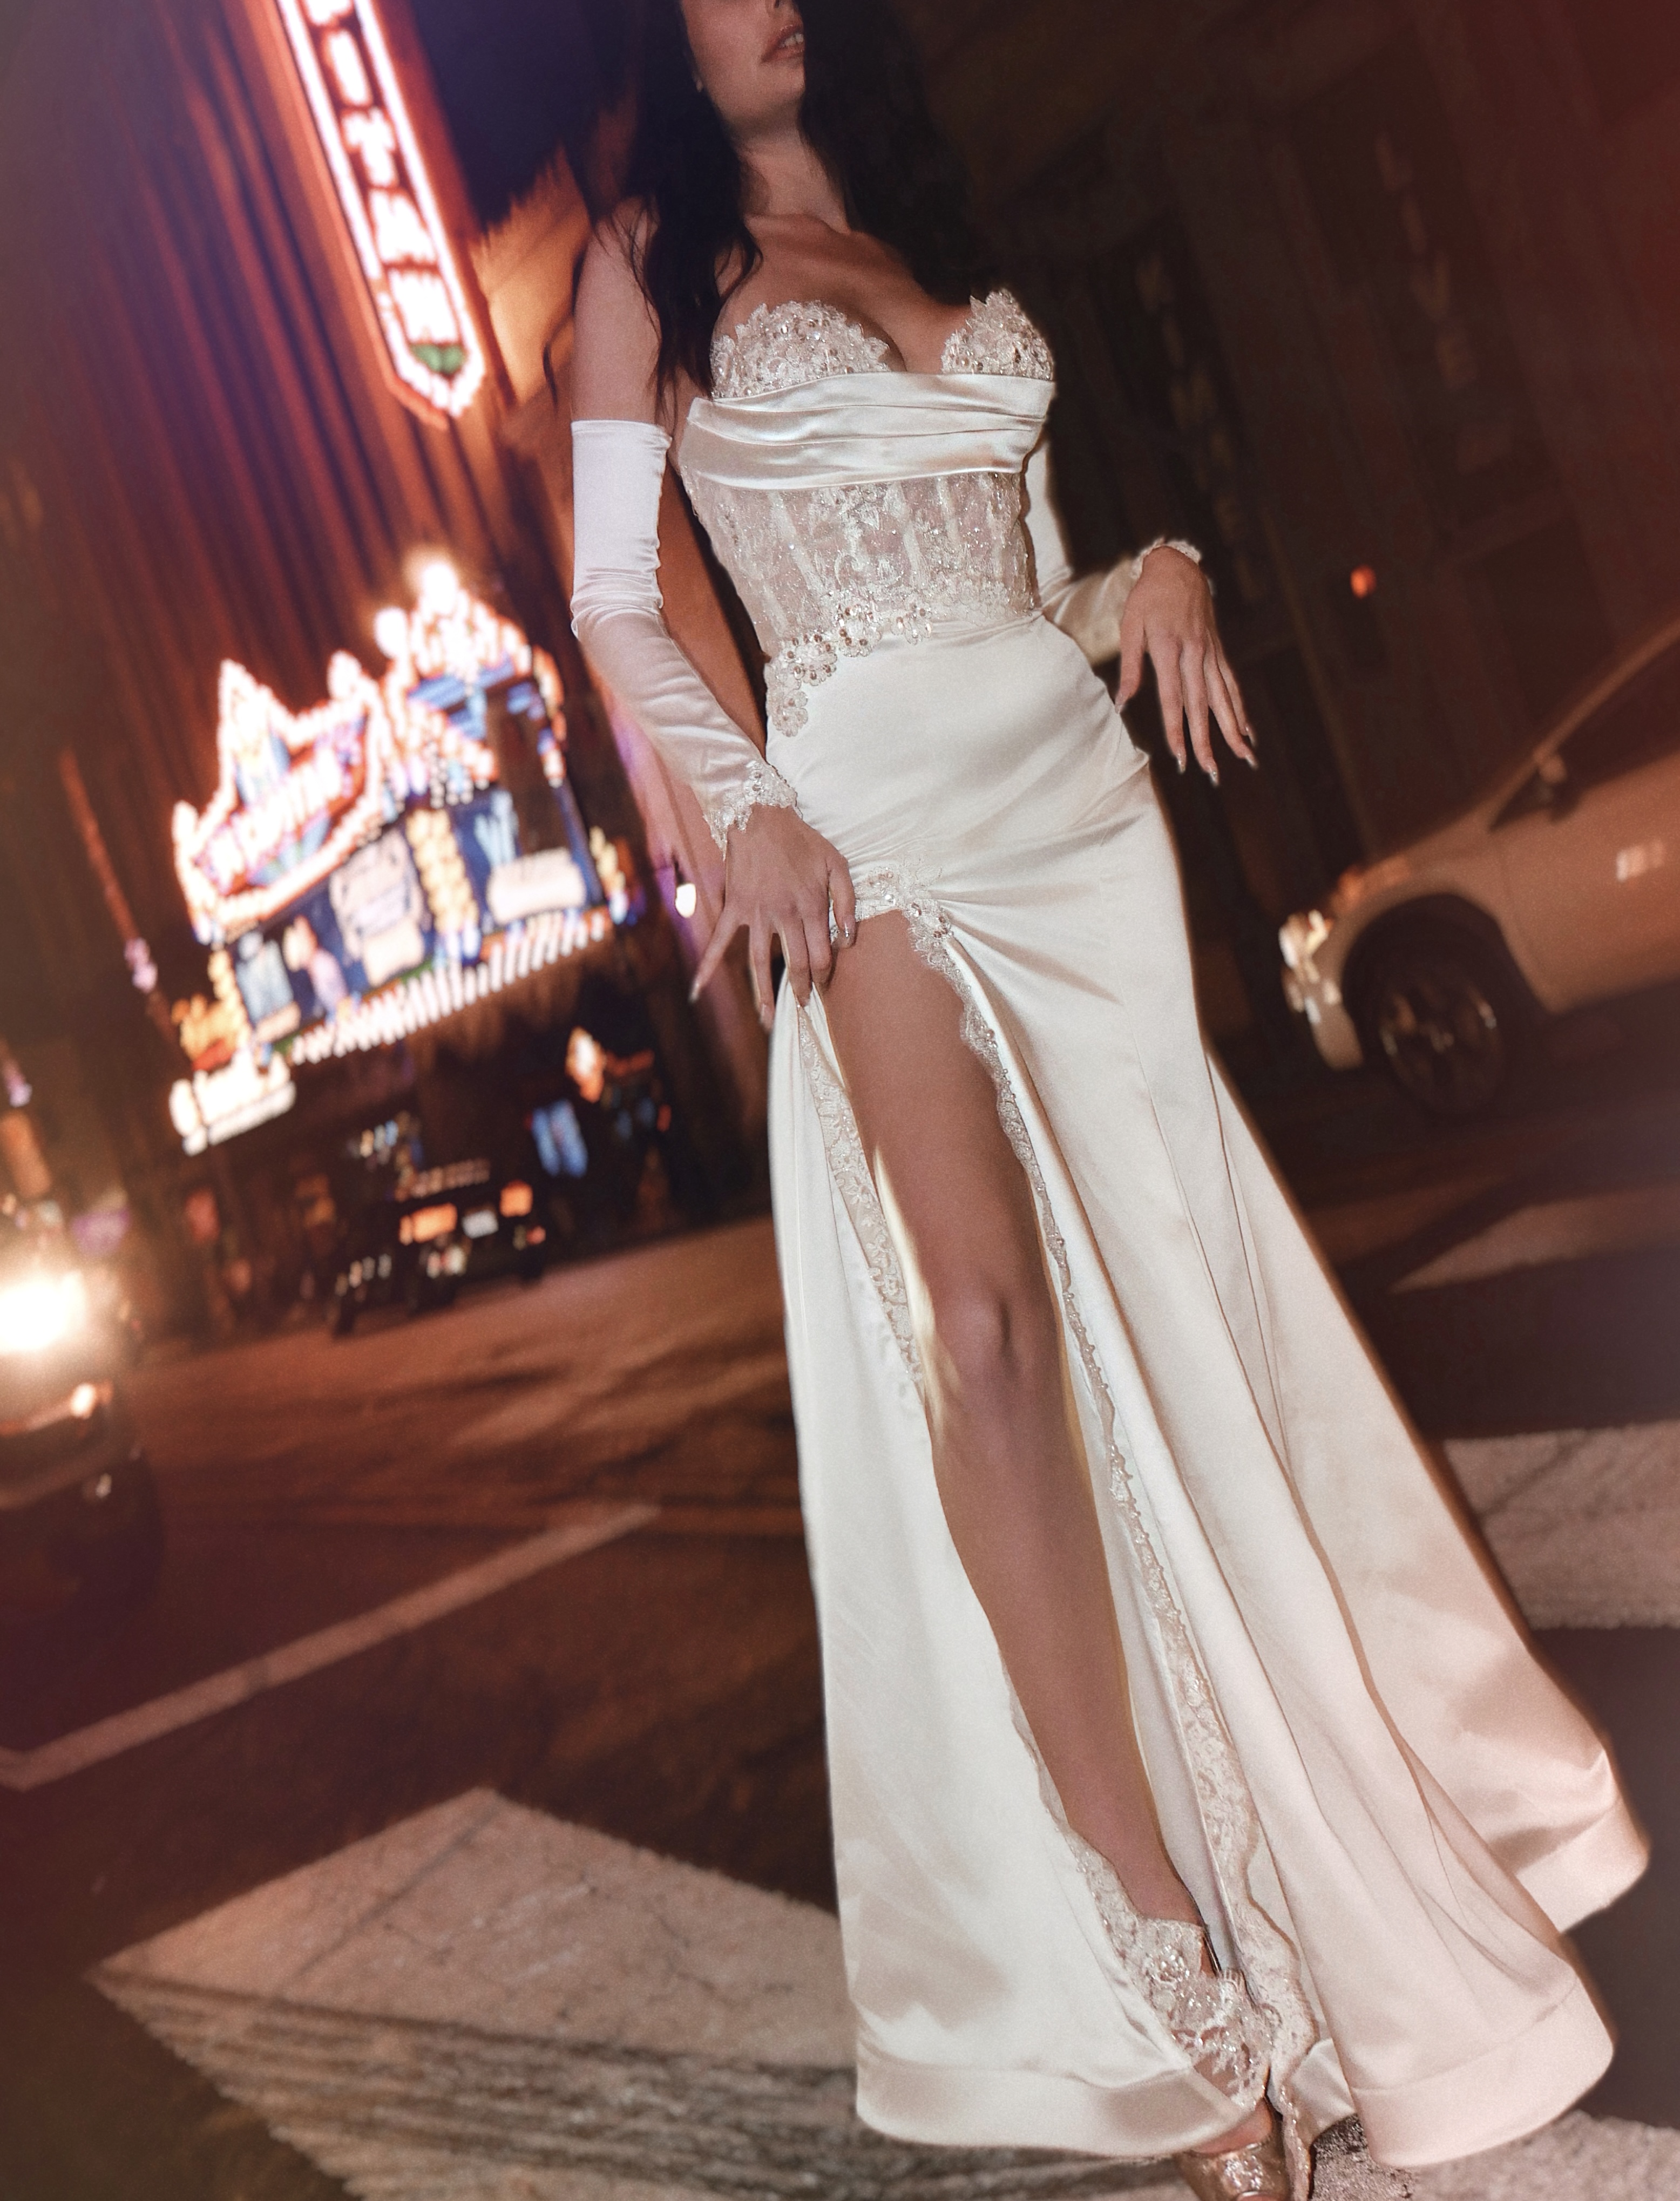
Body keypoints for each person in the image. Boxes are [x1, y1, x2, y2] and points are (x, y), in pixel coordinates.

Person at [566, 4, 1645, 2193]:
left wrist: (1148, 574)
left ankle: (1300, 1872)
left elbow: (1025, 585)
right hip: (861, 832)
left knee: (1171, 1337)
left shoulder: (916, 233)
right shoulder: (639, 271)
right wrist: (742, 804)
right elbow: (610, 596)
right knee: (980, 1335)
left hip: (1072, 819)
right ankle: (1163, 1963)